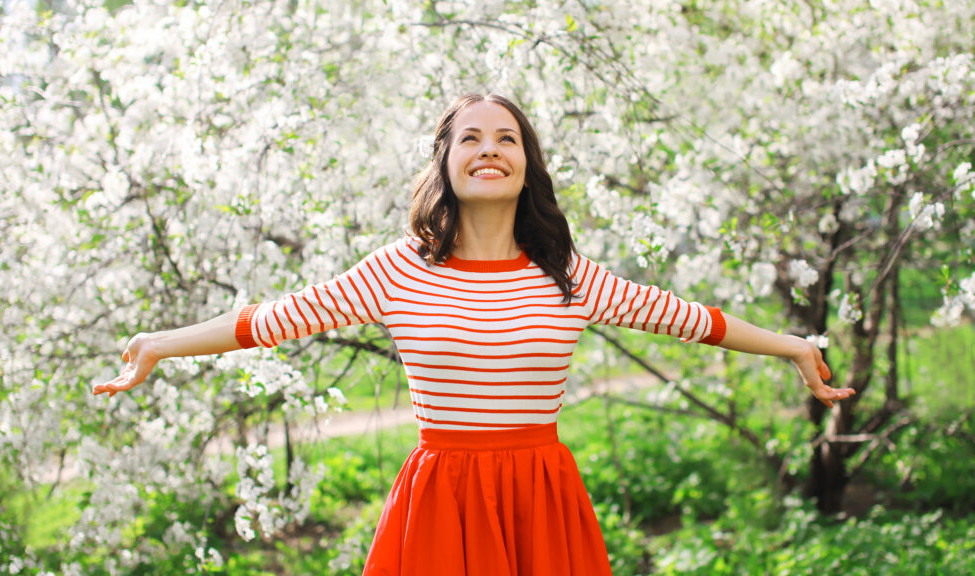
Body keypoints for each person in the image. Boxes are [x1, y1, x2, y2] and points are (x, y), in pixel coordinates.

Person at [93, 93, 855, 575]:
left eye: (507, 139)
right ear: (447, 163)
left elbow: (693, 319)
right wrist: (161, 343)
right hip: (441, 500)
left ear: (528, 167)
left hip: (541, 498)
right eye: (471, 139)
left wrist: (794, 347)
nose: (489, 148)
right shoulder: (399, 271)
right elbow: (269, 320)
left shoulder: (567, 274)